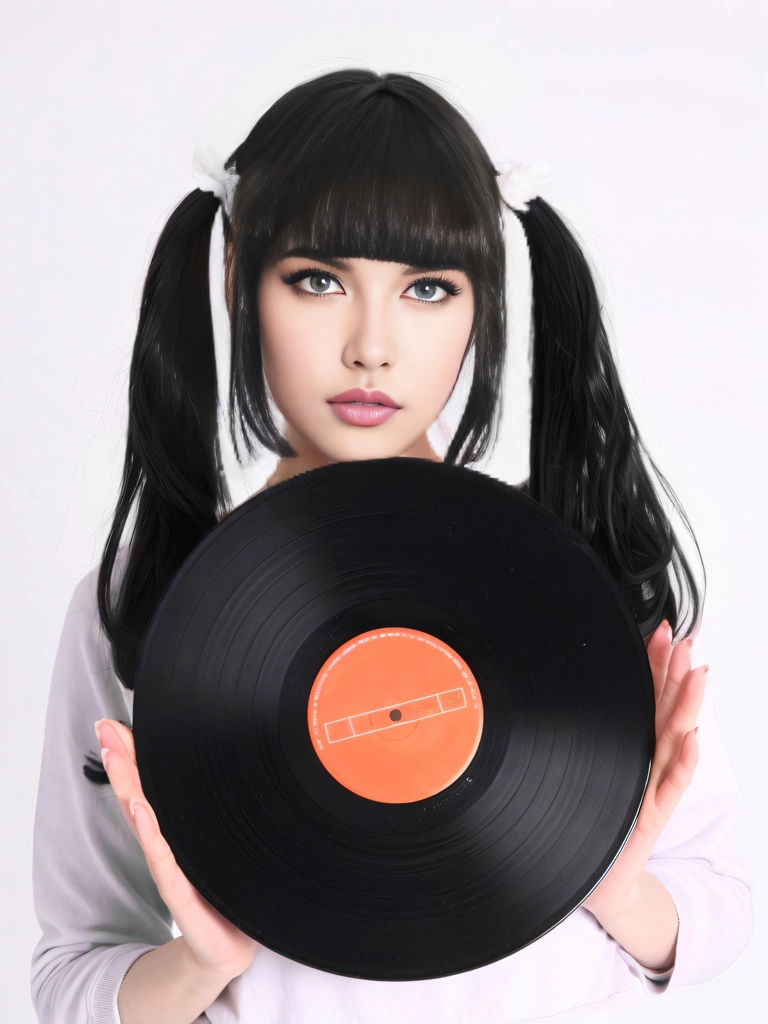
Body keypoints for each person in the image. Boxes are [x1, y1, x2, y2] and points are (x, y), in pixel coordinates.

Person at [30, 68, 753, 1024]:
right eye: (318, 280)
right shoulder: (138, 601)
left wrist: (612, 887)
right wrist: (200, 965)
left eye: (427, 288)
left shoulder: (579, 572)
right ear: (236, 276)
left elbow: (727, 909)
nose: (371, 346)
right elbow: (70, 977)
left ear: (479, 309)